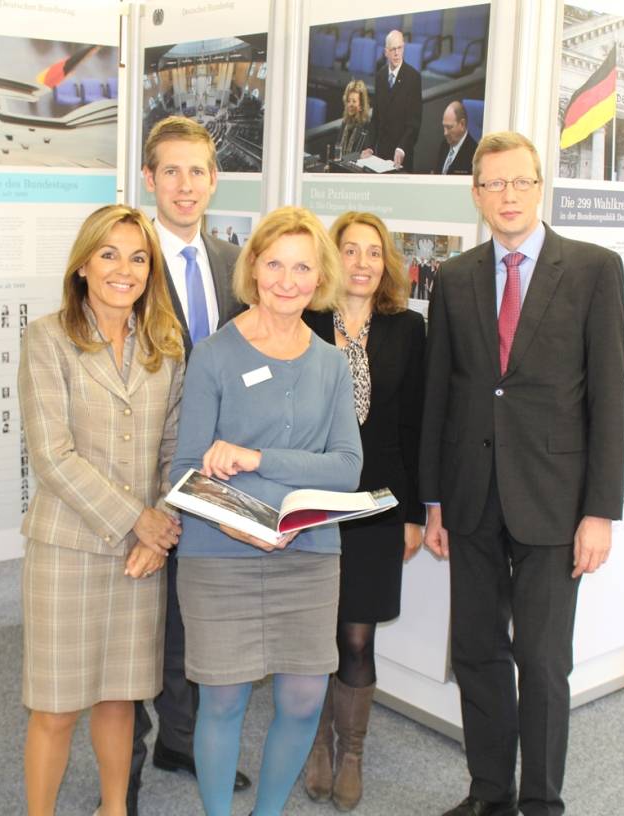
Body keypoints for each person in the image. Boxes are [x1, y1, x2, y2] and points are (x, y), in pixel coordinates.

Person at [419, 132, 624, 816]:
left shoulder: (595, 269)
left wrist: (600, 510)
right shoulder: (455, 277)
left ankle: (540, 802)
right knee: (477, 652)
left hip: (555, 503)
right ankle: (489, 792)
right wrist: (434, 501)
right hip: (472, 496)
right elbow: (440, 396)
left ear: (541, 187)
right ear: (476, 194)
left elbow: (608, 397)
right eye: (493, 185)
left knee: (541, 662)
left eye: (520, 183)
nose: (507, 197)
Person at [172, 206, 363, 816]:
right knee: (223, 701)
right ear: (252, 269)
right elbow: (183, 471)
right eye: (275, 263)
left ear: (320, 276)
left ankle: (268, 811)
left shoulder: (332, 363)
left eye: (302, 267)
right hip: (220, 554)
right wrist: (233, 520)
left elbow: (346, 468)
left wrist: (256, 457)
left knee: (305, 700)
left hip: (307, 556)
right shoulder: (213, 355)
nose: (288, 280)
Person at [16, 204, 186, 816]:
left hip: (140, 559)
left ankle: (114, 809)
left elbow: (175, 451)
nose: (124, 269)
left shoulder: (165, 347)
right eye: (109, 254)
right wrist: (139, 519)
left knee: (120, 701)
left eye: (138, 257)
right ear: (84, 264)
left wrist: (160, 528)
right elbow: (52, 455)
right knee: (57, 707)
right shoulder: (47, 339)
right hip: (67, 551)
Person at [132, 115, 251, 812]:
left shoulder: (235, 259)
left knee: (194, 616)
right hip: (141, 471)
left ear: (214, 179)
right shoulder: (127, 257)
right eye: (170, 171)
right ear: (150, 179)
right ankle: (129, 772)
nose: (185, 185)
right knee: (135, 624)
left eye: (197, 172)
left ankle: (180, 737)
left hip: (214, 470)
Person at [301, 211, 425, 811]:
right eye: (349, 250)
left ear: (387, 263)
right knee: (315, 632)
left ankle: (350, 751)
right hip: (316, 503)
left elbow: (413, 425)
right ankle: (314, 744)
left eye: (373, 252)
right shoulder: (304, 321)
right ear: (333, 258)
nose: (362, 263)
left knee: (355, 635)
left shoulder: (407, 330)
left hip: (379, 507)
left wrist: (415, 513)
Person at [362, 30, 422, 171]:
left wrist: (402, 148)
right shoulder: (380, 76)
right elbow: (376, 118)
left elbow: (414, 123)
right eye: (392, 49)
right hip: (381, 155)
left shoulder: (413, 78)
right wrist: (369, 146)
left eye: (399, 48)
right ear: (385, 52)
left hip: (402, 154)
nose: (396, 53)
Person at [436, 100, 476, 175]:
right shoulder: (444, 145)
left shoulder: (474, 153)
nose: (445, 133)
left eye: (449, 127)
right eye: (444, 127)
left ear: (462, 124)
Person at [335, 80, 373, 158]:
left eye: (354, 101)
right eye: (348, 101)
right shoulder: (345, 122)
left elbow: (364, 156)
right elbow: (337, 149)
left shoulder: (366, 126)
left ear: (361, 105)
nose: (350, 104)